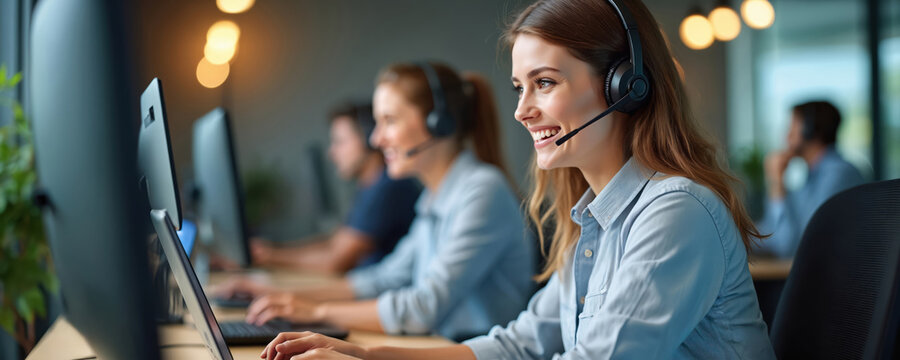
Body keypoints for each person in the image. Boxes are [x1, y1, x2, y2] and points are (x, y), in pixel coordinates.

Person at [256, 0, 775, 359]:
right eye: (519, 88)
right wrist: (367, 354)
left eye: (544, 83)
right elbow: (522, 344)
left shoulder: (675, 212)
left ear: (625, 86)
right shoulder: (591, 221)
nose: (522, 111)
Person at [229, 61, 535, 342]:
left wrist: (317, 312)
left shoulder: (482, 191)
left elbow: (423, 307)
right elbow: (383, 279)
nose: (376, 140)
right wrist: (285, 296)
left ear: (438, 122)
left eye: (389, 120)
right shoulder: (436, 196)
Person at [250, 102, 421, 273]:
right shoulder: (371, 186)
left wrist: (269, 256)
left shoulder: (388, 188)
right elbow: (335, 241)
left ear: (369, 139)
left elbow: (336, 262)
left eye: (340, 142)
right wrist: (272, 249)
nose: (332, 152)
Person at [756, 101, 865, 258]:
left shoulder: (839, 174)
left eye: (792, 127)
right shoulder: (810, 180)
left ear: (810, 129)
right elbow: (771, 233)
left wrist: (777, 183)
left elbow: (787, 245)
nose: (787, 136)